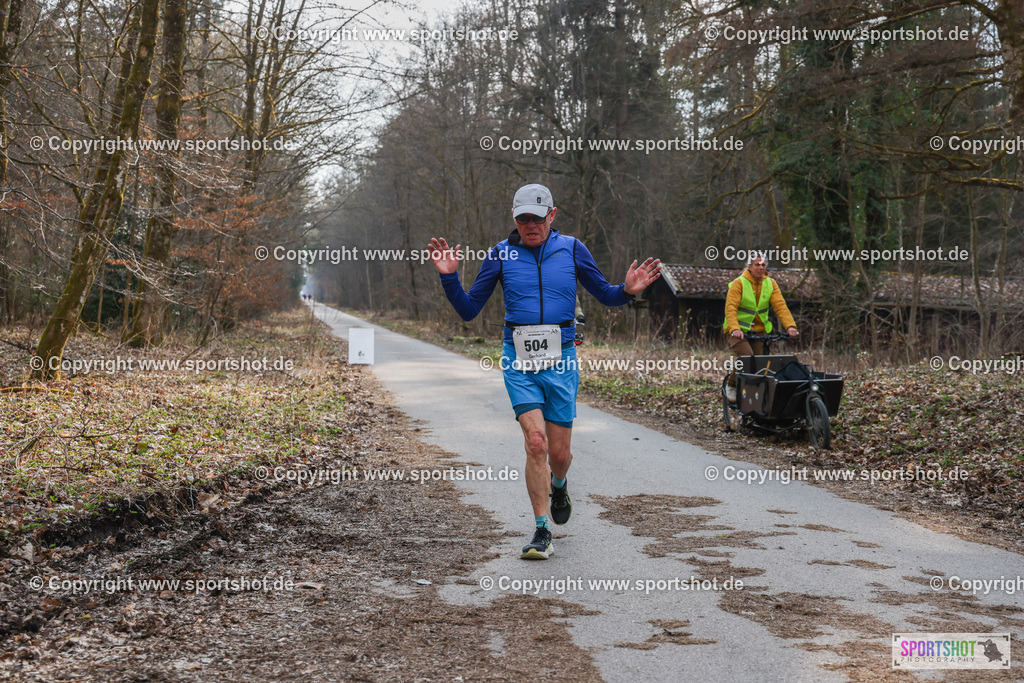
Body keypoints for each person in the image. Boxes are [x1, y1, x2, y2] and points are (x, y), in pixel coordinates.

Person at [429, 183, 661, 560]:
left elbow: (605, 294)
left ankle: (560, 483)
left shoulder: (572, 249)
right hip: (518, 360)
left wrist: (627, 290)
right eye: (523, 219)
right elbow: (469, 310)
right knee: (535, 443)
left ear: (552, 215)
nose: (530, 226)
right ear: (514, 219)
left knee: (560, 453)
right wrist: (449, 277)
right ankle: (541, 530)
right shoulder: (501, 254)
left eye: (537, 218)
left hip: (562, 360)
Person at [722, 253, 798, 404]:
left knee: (760, 364)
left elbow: (780, 306)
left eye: (763, 265)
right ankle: (731, 385)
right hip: (737, 331)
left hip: (759, 331)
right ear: (749, 267)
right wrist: (735, 328)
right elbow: (730, 308)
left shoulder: (771, 284)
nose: (761, 268)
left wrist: (790, 326)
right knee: (747, 358)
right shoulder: (739, 283)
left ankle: (755, 398)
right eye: (757, 264)